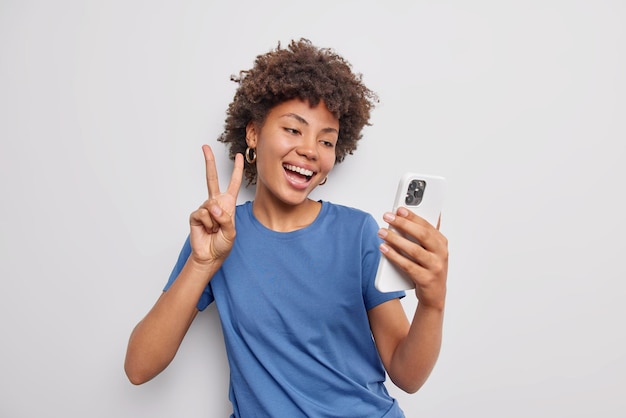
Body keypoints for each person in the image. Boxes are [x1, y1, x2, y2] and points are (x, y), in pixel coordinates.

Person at [124, 38, 448, 418]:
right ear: (253, 134)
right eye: (294, 130)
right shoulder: (218, 236)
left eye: (325, 140)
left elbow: (406, 374)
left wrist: (433, 302)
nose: (311, 149)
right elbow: (138, 367)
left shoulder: (357, 232)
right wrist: (200, 264)